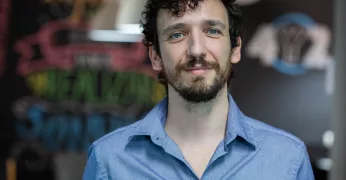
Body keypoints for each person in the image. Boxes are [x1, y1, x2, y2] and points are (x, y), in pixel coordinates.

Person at [83, 0, 315, 179]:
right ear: (155, 56)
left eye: (212, 31)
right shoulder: (108, 160)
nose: (196, 50)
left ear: (235, 48)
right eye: (177, 34)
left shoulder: (288, 160)